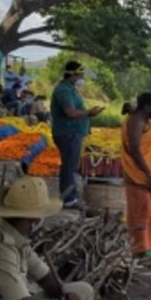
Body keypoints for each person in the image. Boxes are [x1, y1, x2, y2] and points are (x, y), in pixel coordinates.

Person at [50, 61, 103, 208]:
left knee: (71, 165)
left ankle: (70, 195)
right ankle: (68, 199)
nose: (82, 78)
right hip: (68, 133)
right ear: (72, 75)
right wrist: (89, 112)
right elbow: (70, 112)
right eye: (80, 75)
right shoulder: (64, 90)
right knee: (69, 167)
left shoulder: (71, 89)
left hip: (74, 133)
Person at [121, 92, 151, 260]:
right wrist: (149, 174)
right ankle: (139, 250)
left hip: (147, 173)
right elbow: (135, 150)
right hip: (140, 175)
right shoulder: (137, 121)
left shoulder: (143, 118)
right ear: (146, 106)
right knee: (141, 212)